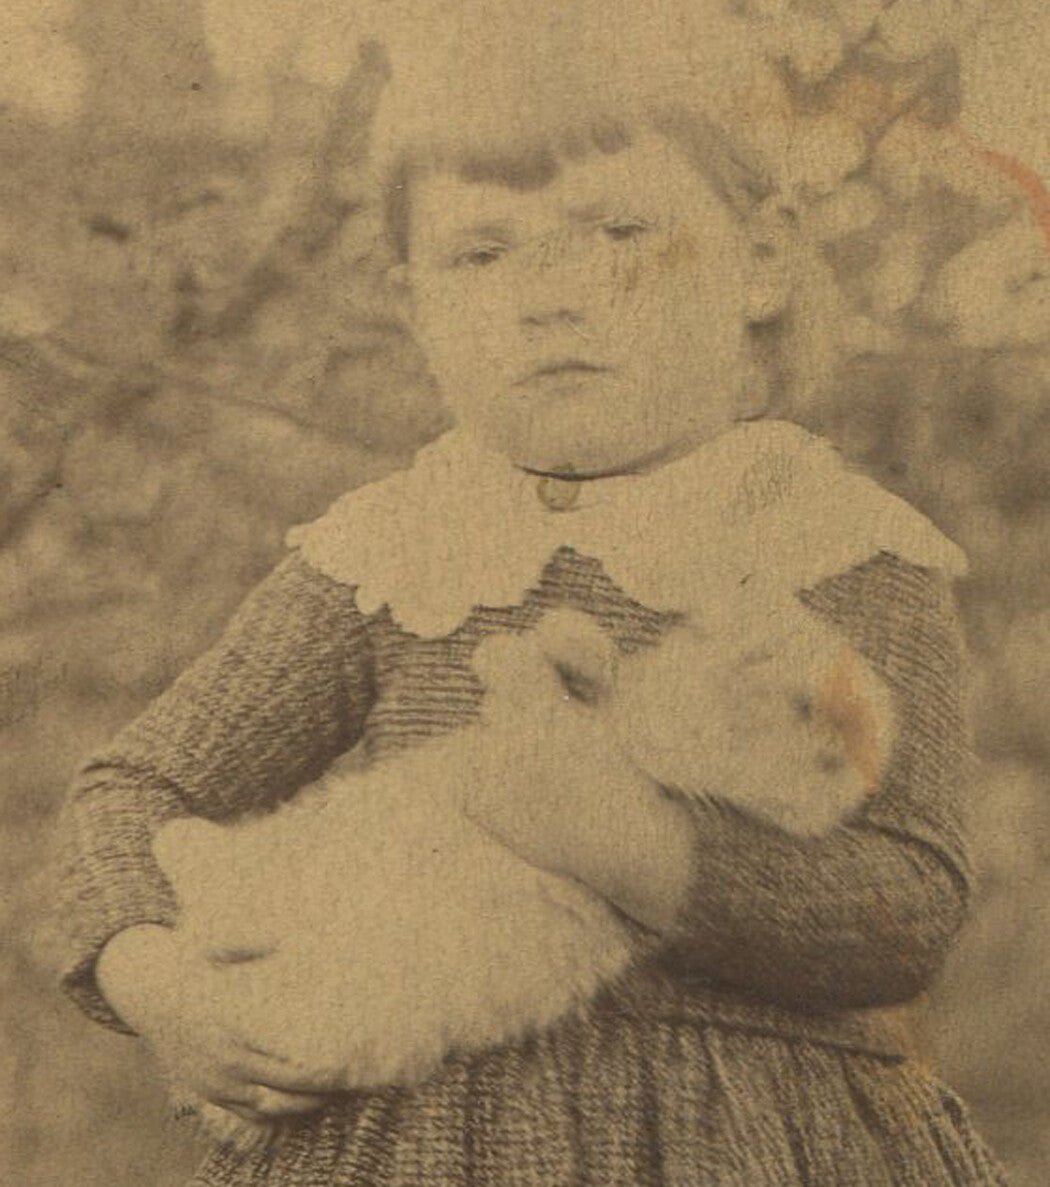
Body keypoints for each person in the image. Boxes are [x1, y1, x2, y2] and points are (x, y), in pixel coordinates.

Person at [54, 8, 1011, 1184]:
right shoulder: (397, 546)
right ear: (412, 302)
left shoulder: (834, 543)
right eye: (481, 253)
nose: (549, 296)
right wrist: (156, 979)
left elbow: (906, 905)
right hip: (404, 1125)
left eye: (617, 231)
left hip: (748, 1127)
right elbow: (133, 789)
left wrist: (633, 848)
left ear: (759, 260)